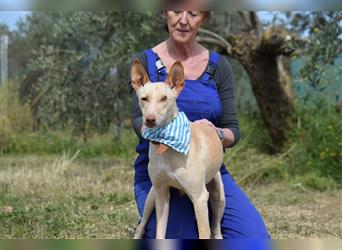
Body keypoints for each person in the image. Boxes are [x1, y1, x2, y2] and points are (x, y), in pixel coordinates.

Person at [129, 11, 269, 239]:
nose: (183, 20)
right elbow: (139, 120)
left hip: (207, 168)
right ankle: (152, 225)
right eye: (176, 11)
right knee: (181, 237)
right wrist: (158, 132)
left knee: (254, 238)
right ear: (165, 12)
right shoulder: (145, 62)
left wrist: (216, 133)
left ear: (204, 18)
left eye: (193, 13)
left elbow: (233, 130)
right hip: (158, 166)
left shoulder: (219, 66)